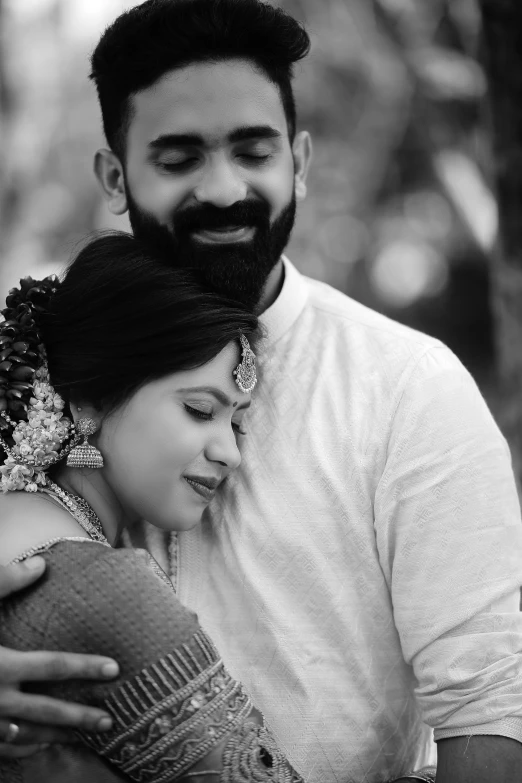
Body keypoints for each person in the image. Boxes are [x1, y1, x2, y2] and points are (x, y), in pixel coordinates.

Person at [1, 0, 522, 781]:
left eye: (253, 151)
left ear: (299, 162)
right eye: (179, 159)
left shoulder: (405, 389)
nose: (223, 189)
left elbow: (490, 712)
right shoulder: (30, 368)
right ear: (114, 177)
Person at [0, 231, 308, 782]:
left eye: (235, 422)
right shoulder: (100, 589)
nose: (230, 452)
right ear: (89, 399)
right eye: (198, 409)